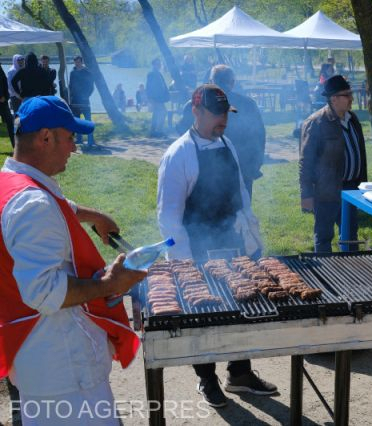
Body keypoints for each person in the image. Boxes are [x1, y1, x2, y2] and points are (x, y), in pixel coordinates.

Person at [0, 96, 146, 423]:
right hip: (62, 367)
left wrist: (95, 216)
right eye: (70, 138)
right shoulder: (33, 205)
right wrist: (110, 284)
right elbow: (43, 292)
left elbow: (57, 204)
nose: (74, 147)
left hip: (37, 361)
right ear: (46, 137)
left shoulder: (11, 182)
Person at [157, 84, 276, 408]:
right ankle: (206, 378)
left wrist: (250, 233)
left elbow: (241, 192)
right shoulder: (179, 154)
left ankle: (239, 373)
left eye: (226, 113)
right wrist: (183, 263)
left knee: (242, 309)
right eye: (216, 113)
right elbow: (169, 217)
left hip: (232, 243)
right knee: (205, 315)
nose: (223, 119)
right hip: (196, 249)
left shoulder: (227, 144)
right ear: (196, 112)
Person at [300, 75, 367, 253]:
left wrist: (364, 186)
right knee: (323, 236)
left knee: (351, 235)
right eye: (347, 95)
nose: (351, 98)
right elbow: (306, 162)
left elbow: (360, 152)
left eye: (351, 93)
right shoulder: (316, 123)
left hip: (352, 189)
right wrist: (306, 194)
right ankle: (324, 275)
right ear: (333, 98)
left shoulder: (352, 119)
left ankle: (350, 271)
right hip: (327, 190)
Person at [211, 65, 266, 198]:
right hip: (243, 167)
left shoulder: (202, 104)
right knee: (242, 211)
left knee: (214, 215)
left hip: (210, 170)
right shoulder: (248, 104)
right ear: (233, 82)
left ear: (212, 82)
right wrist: (255, 165)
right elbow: (259, 137)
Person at [68, 55, 95, 148]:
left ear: (81, 62)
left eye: (79, 61)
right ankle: (79, 139)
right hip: (75, 100)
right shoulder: (72, 73)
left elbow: (91, 87)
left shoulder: (87, 72)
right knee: (77, 121)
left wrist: (86, 96)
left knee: (88, 120)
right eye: (75, 62)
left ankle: (90, 140)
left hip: (84, 100)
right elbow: (70, 86)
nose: (77, 63)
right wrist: (71, 97)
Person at [146, 58, 170, 137]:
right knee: (163, 112)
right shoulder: (151, 74)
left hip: (160, 98)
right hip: (155, 98)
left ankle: (153, 131)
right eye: (157, 64)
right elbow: (149, 87)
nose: (159, 65)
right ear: (153, 65)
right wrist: (150, 99)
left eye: (160, 64)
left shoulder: (159, 74)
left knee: (156, 114)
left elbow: (163, 85)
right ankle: (158, 131)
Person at [0, 63, 14, 148]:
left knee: (10, 123)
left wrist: (6, 96)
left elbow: (5, 83)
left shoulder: (0, 69)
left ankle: (15, 146)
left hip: (4, 102)